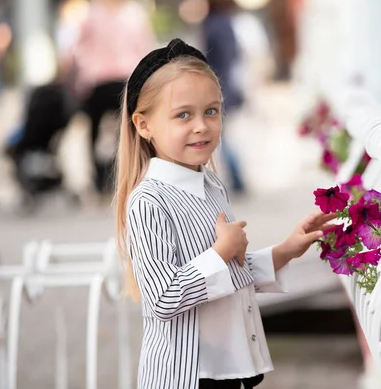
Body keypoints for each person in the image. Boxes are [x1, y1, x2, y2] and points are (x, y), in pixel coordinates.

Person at [114, 38, 336, 389]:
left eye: (211, 111)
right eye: (183, 114)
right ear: (143, 125)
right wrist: (220, 253)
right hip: (187, 376)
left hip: (231, 368)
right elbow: (163, 299)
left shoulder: (212, 184)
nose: (201, 125)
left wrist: (285, 251)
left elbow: (232, 273)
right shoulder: (149, 201)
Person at [74, 0, 155, 195]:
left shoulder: (134, 12)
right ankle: (99, 176)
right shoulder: (92, 12)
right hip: (98, 81)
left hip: (126, 80)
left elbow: (144, 47)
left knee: (128, 131)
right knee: (95, 132)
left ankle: (124, 174)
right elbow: (80, 48)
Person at [202, 0, 246, 194]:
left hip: (217, 86)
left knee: (222, 135)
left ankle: (237, 177)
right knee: (223, 134)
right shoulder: (228, 24)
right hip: (229, 84)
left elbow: (209, 59)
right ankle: (237, 177)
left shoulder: (211, 25)